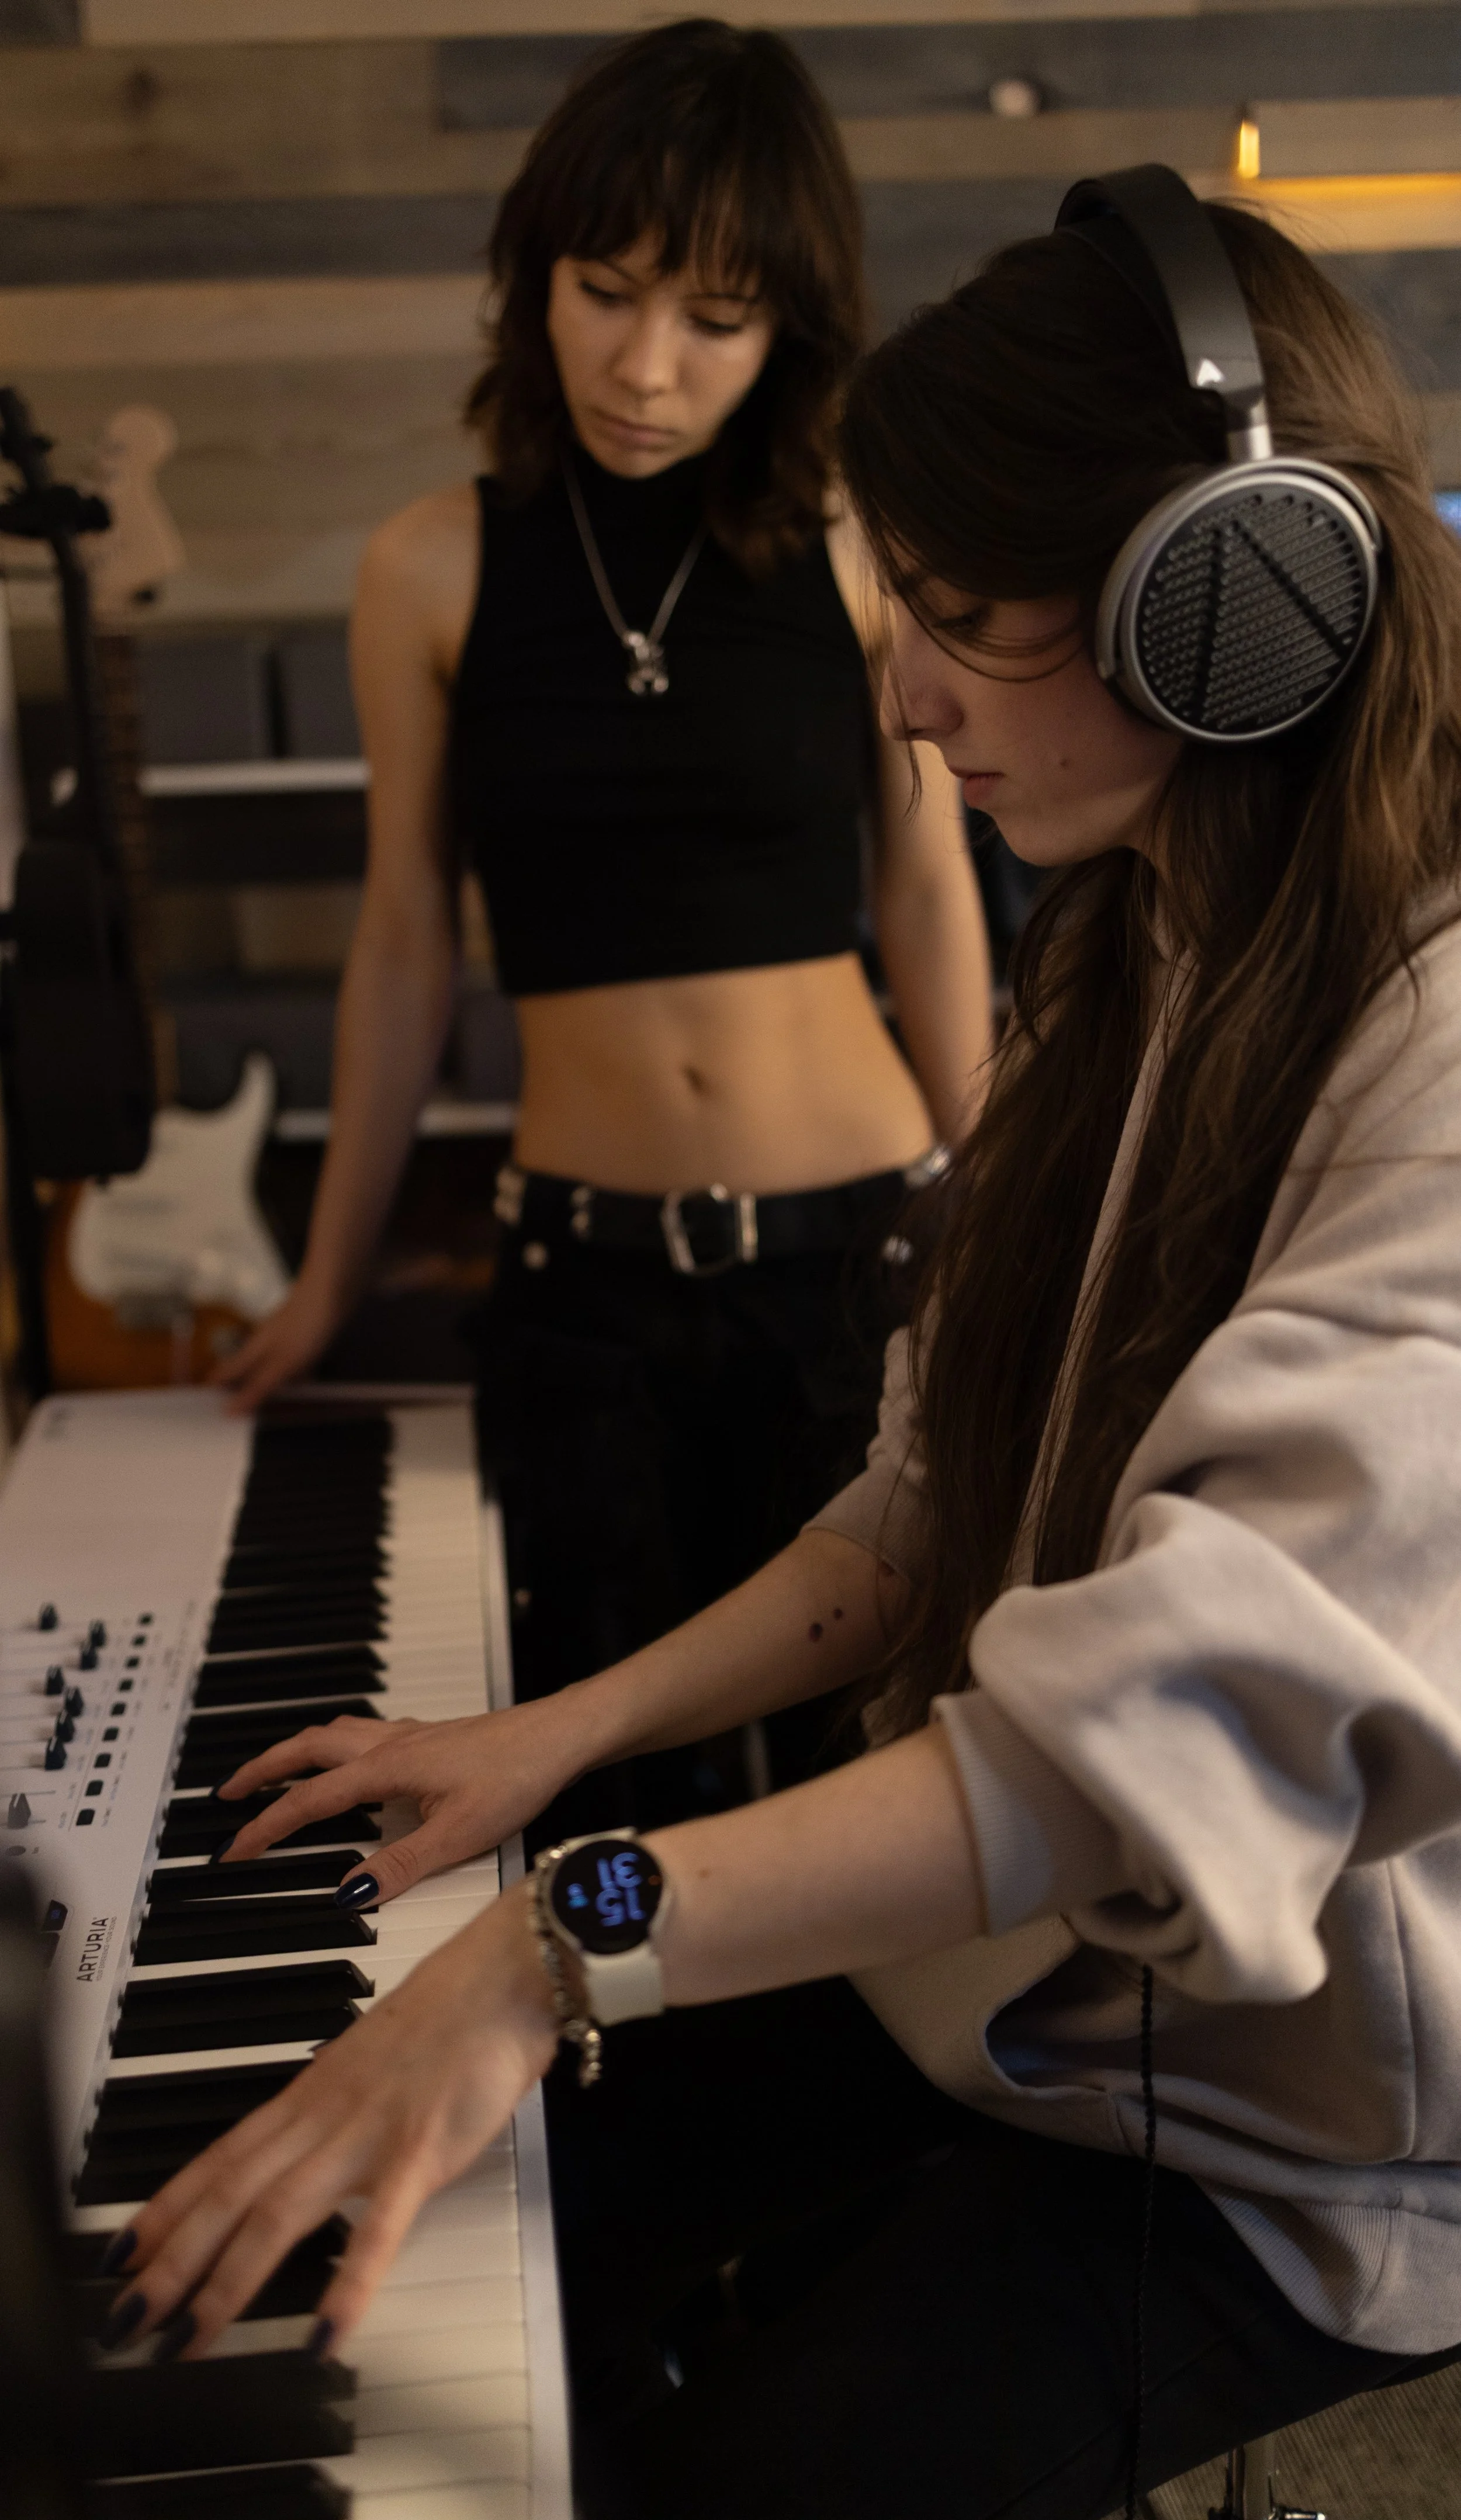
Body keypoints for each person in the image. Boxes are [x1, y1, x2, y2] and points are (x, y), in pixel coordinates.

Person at [105, 176, 1461, 2519]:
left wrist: (558, 1947)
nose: (901, 696)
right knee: (481, 2228)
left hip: (1293, 2139)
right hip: (1021, 1989)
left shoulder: (1434, 1048)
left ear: (1220, 612)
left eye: (946, 618)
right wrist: (559, 1744)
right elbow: (924, 1499)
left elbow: (1142, 1739)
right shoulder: (1128, 954)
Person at [216, 20, 992, 1814]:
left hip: (861, 1266)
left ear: (787, 326)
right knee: (583, 1807)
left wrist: (1012, 1194)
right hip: (583, 1290)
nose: (646, 366)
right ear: (531, 275)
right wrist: (327, 1277)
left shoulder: (857, 548)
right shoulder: (429, 564)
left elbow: (928, 889)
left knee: (863, 1792)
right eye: (604, 289)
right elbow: (405, 931)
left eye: (714, 320)